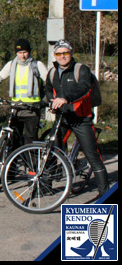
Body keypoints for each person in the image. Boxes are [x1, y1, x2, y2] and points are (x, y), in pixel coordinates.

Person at [45, 39, 109, 197]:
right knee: (51, 150)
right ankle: (45, 186)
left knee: (92, 155)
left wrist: (66, 98)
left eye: (65, 53)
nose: (62, 56)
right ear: (55, 55)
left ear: (71, 53)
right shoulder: (52, 72)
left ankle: (105, 192)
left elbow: (84, 88)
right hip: (63, 117)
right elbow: (47, 90)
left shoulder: (81, 69)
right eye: (59, 54)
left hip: (82, 119)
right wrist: (51, 103)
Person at [0, 39, 47, 144]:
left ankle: (31, 160)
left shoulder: (37, 65)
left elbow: (50, 84)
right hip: (16, 109)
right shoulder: (11, 65)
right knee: (13, 140)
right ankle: (14, 160)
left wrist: (44, 101)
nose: (22, 56)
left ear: (29, 52)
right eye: (19, 53)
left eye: (25, 52)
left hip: (32, 109)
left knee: (30, 140)